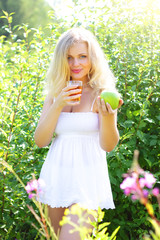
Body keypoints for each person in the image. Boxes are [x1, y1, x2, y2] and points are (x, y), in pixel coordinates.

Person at [34, 27, 123, 240]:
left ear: (92, 58)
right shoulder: (55, 93)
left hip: (87, 182)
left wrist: (109, 117)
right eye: (69, 58)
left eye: (82, 56)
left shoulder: (103, 94)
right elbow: (40, 141)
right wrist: (59, 104)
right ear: (61, 60)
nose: (76, 64)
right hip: (55, 178)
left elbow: (108, 145)